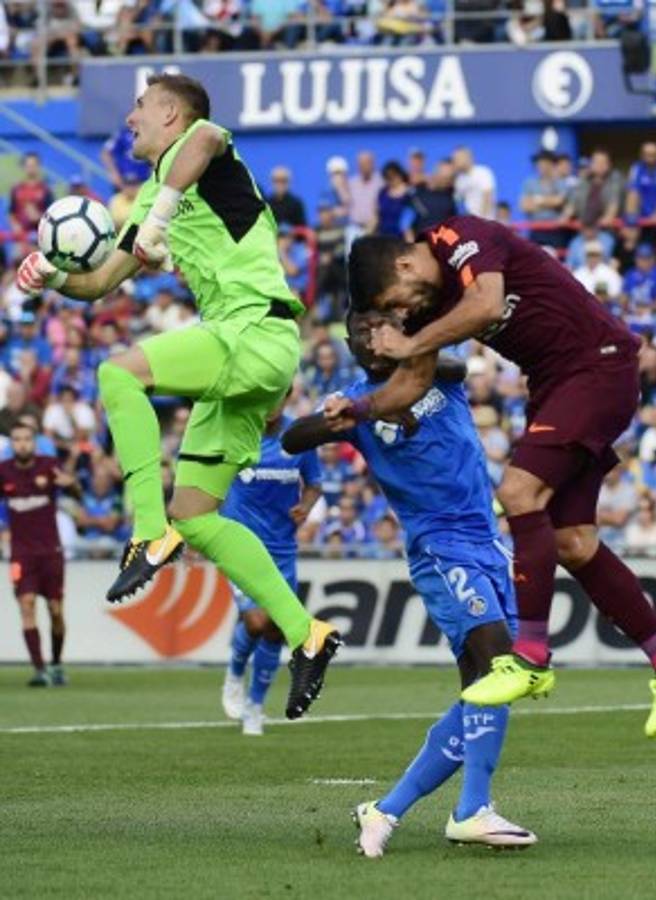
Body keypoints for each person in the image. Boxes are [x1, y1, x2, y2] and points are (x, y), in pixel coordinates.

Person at [15, 73, 339, 719]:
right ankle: (308, 634)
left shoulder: (200, 146)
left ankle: (145, 532)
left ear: (168, 112)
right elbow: (101, 280)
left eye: (137, 107)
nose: (129, 119)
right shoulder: (145, 198)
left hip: (253, 330)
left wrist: (160, 215)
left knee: (117, 373)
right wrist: (50, 276)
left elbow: (210, 136)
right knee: (198, 513)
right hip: (245, 344)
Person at [328, 216, 656, 737]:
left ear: (403, 263)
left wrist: (408, 343)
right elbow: (412, 385)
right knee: (572, 542)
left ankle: (529, 657)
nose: (402, 312)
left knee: (517, 491)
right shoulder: (425, 311)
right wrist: (363, 407)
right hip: (555, 386)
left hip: (595, 367)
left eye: (394, 300)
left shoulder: (456, 237)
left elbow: (486, 304)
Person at [283, 309, 536, 855]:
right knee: (498, 667)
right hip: (439, 546)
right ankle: (472, 810)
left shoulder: (432, 369)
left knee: (489, 683)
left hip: (487, 540)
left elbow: (458, 364)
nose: (370, 339)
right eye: (359, 334)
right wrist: (335, 420)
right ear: (349, 346)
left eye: (378, 326)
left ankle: (386, 810)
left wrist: (404, 356)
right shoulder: (354, 401)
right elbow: (290, 438)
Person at [220, 394, 322, 735]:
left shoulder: (298, 437)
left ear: (287, 396)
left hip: (282, 548)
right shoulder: (237, 432)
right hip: (241, 545)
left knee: (276, 628)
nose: (270, 405)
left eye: (277, 397)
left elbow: (315, 485)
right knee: (256, 620)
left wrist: (305, 506)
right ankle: (235, 671)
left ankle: (255, 705)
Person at [0, 420, 78, 686]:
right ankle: (40, 669)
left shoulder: (48, 466)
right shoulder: (3, 471)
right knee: (27, 604)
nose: (22, 443)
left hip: (50, 552)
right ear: (11, 444)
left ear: (34, 442)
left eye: (26, 439)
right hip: (22, 554)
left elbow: (75, 491)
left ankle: (56, 663)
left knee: (56, 610)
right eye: (17, 439)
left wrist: (70, 484)